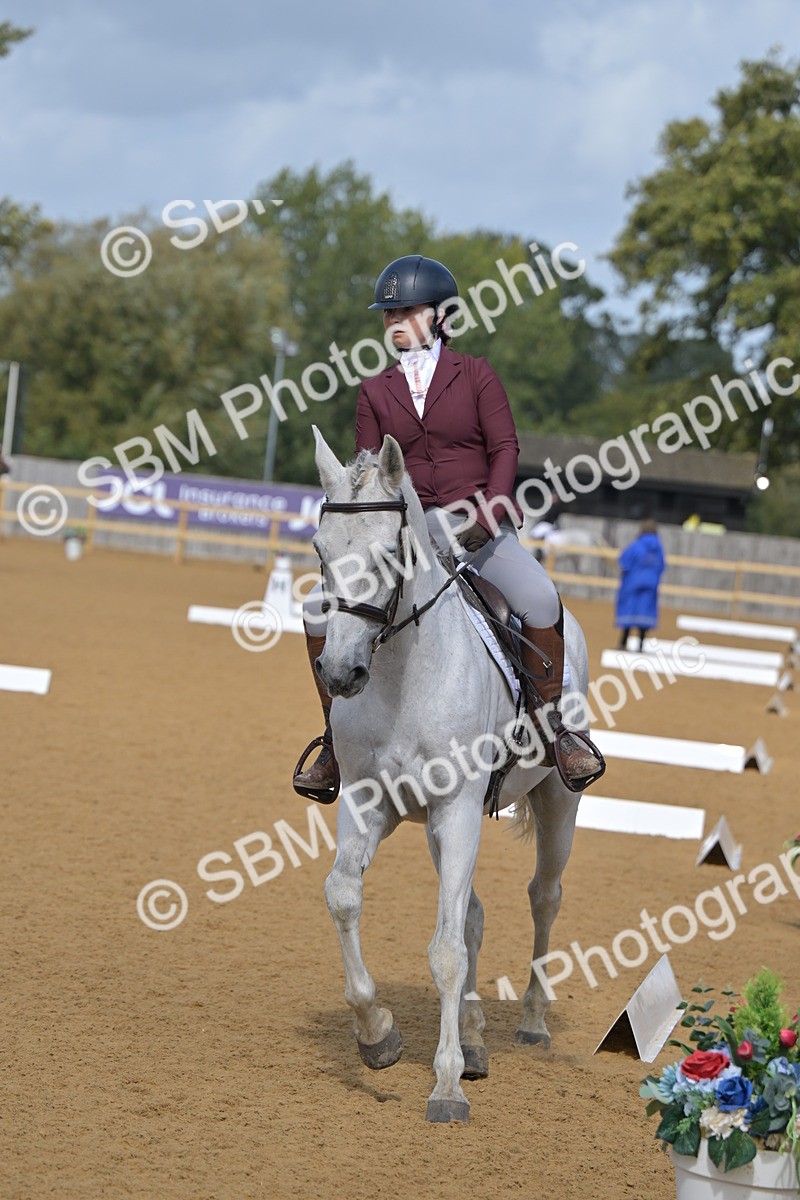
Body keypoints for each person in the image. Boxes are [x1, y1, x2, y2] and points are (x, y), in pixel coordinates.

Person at [293, 254, 604, 801]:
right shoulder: (374, 391)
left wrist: (490, 515)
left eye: (407, 311)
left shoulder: (476, 374)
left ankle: (558, 733)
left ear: (440, 316)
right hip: (406, 535)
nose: (394, 322)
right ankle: (335, 743)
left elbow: (504, 446)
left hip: (475, 525)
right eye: (388, 313)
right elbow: (368, 467)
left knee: (538, 597)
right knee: (318, 607)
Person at [615, 520, 666, 651]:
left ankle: (623, 643)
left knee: (629, 611)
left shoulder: (636, 546)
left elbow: (624, 562)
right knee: (645, 613)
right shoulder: (659, 549)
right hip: (650, 585)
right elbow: (661, 567)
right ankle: (641, 645)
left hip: (632, 584)